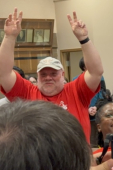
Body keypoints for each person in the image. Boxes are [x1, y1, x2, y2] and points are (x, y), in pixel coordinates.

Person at [0, 8, 103, 143]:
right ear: (37, 76)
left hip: (76, 160)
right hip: (39, 161)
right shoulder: (26, 92)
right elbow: (3, 73)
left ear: (63, 75)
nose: (48, 77)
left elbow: (96, 72)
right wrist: (9, 37)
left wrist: (83, 39)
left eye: (53, 73)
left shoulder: (77, 91)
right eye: (43, 74)